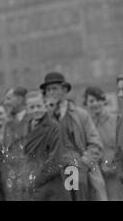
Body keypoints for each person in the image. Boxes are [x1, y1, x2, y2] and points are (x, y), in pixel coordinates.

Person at [40, 72, 103, 201]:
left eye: (55, 88)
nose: (51, 93)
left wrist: (84, 164)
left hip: (77, 171)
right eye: (48, 90)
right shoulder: (42, 118)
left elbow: (95, 144)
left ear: (64, 90)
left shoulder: (80, 115)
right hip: (52, 174)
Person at [23, 91, 69, 201]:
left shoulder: (54, 127)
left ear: (45, 106)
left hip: (50, 185)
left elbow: (56, 160)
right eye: (32, 107)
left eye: (38, 106)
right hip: (31, 185)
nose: (36, 110)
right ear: (27, 109)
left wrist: (37, 179)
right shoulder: (26, 126)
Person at [84, 86, 123, 200]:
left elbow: (119, 146)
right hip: (95, 175)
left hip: (114, 174)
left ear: (104, 101)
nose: (95, 104)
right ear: (86, 103)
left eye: (98, 100)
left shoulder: (116, 120)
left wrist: (114, 165)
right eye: (91, 101)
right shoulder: (86, 124)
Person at [1, 87, 29, 201]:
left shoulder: (34, 119)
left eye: (9, 98)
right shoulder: (7, 123)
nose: (5, 102)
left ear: (20, 99)